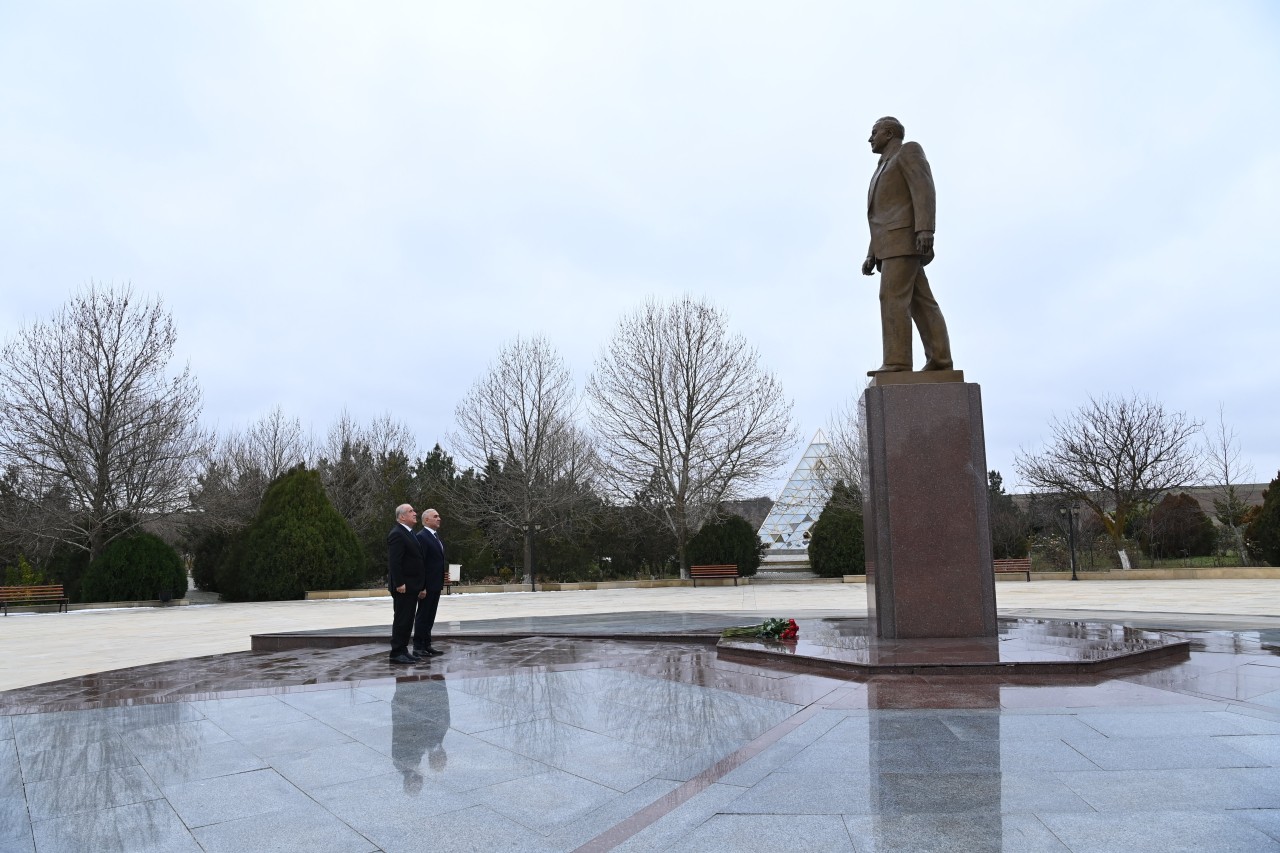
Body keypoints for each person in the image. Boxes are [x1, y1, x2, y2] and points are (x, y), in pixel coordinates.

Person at [861, 116, 954, 376]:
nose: (870, 139)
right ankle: (940, 360)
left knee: (892, 297)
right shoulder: (882, 166)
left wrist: (925, 229)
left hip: (904, 240)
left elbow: (923, 190)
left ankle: (898, 362)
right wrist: (872, 253)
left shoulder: (908, 152)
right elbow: (883, 215)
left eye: (875, 132)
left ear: (889, 133)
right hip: (890, 243)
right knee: (921, 302)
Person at [386, 503, 426, 665]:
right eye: (411, 511)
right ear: (402, 517)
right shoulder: (397, 534)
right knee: (402, 620)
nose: (415, 513)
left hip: (411, 586)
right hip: (403, 587)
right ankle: (396, 653)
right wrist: (399, 583)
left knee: (408, 620)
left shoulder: (409, 533)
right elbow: (394, 561)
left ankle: (403, 650)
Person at [412, 508, 447, 657]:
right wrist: (422, 586)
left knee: (430, 616)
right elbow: (420, 564)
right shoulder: (422, 537)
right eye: (435, 516)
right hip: (427, 586)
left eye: (439, 516)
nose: (439, 518)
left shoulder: (434, 536)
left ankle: (427, 644)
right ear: (426, 520)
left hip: (435, 584)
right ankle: (418, 646)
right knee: (423, 616)